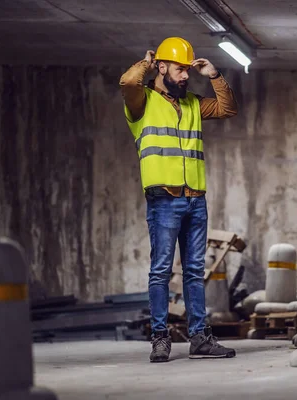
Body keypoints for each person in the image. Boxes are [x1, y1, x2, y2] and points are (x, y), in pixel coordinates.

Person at [119, 37, 238, 362]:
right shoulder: (141, 102)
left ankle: (200, 337)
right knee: (160, 271)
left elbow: (228, 108)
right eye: (179, 69)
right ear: (161, 67)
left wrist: (214, 75)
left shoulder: (193, 104)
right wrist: (145, 61)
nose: (186, 76)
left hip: (195, 200)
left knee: (194, 271)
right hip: (163, 201)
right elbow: (128, 81)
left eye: (187, 70)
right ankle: (160, 339)